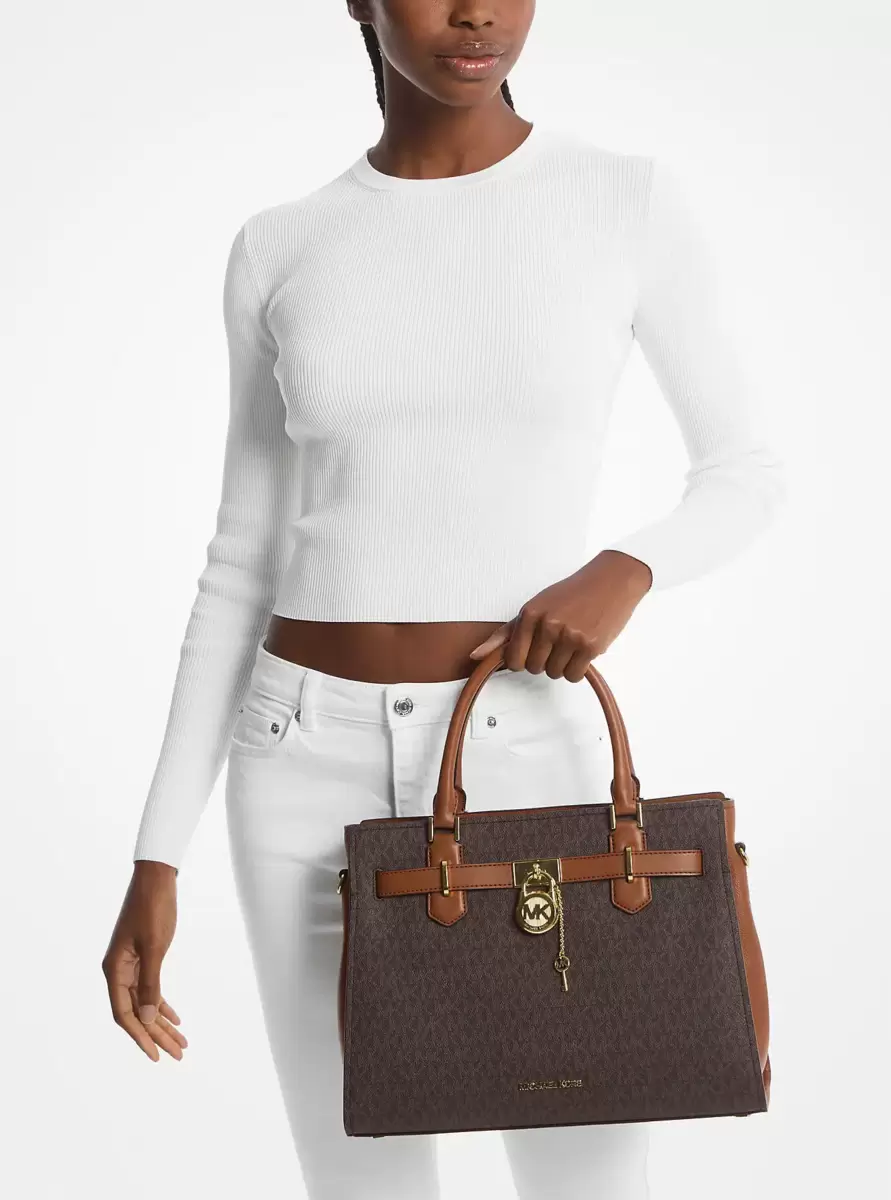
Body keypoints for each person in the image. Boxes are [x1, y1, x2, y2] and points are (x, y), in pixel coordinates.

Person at [102, 3, 786, 1197]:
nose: (478, 12)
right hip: (297, 761)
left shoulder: (621, 200)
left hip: (533, 756)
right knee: (358, 1180)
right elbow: (241, 559)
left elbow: (745, 471)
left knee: (583, 1175)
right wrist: (157, 855)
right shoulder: (281, 246)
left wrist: (625, 569)